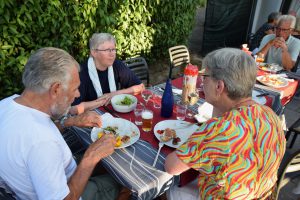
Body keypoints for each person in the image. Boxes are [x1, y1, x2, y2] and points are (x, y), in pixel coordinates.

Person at [165, 48, 286, 199]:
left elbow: (171, 167)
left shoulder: (222, 129)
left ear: (219, 86)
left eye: (205, 76)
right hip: (261, 194)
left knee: (171, 189)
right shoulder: (270, 114)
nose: (202, 81)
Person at [0, 47, 120, 200]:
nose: (77, 94)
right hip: (70, 193)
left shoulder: (6, 104)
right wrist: (90, 157)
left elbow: (32, 142)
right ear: (56, 89)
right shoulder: (42, 142)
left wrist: (70, 121)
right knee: (123, 180)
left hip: (50, 178)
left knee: (105, 163)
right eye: (75, 88)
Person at [71, 33, 144, 112]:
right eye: (107, 50)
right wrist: (103, 101)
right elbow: (73, 108)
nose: (112, 54)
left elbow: (141, 87)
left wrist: (115, 94)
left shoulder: (116, 64)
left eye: (113, 49)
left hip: (114, 112)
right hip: (90, 118)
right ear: (94, 52)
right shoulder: (81, 72)